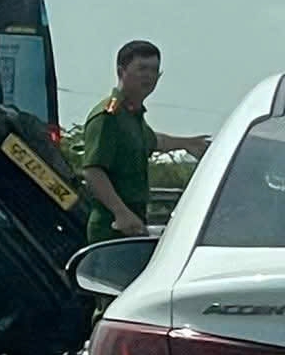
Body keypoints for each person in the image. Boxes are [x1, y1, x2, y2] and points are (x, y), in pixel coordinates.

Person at [82, 40, 210, 243]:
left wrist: (187, 143)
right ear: (121, 71)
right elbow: (93, 171)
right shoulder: (108, 116)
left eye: (154, 70)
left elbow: (153, 141)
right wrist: (120, 212)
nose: (149, 76)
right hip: (113, 225)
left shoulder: (133, 115)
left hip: (134, 220)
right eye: (142, 68)